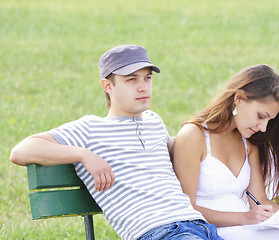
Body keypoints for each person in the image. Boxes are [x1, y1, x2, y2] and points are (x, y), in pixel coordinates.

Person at [10, 45, 224, 240]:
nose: (143, 87)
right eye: (131, 79)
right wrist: (84, 155)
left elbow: (183, 149)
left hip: (201, 227)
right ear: (107, 86)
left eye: (147, 78)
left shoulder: (153, 121)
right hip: (159, 232)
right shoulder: (90, 129)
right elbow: (21, 151)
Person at [172, 64, 279, 240]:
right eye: (261, 116)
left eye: (269, 120)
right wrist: (244, 218)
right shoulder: (194, 135)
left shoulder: (248, 143)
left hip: (248, 227)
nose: (263, 127)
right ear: (239, 99)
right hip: (211, 230)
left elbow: (260, 200)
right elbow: (186, 209)